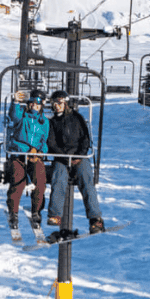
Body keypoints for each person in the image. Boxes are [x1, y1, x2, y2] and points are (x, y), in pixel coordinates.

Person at [46, 89, 105, 234]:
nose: (57, 105)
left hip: (79, 156)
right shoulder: (52, 122)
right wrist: (65, 158)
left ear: (66, 103)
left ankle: (95, 219)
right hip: (62, 158)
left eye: (60, 102)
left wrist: (79, 155)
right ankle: (55, 215)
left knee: (86, 179)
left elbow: (85, 139)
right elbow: (52, 143)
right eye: (55, 103)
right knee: (58, 178)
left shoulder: (77, 118)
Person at [5, 89, 49, 230]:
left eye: (38, 104)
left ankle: (36, 211)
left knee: (40, 180)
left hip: (35, 156)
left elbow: (44, 141)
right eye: (32, 103)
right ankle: (14, 212)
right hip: (19, 154)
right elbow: (13, 116)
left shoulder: (44, 122)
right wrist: (16, 102)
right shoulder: (22, 117)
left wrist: (40, 152)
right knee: (18, 179)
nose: (34, 106)